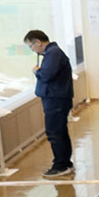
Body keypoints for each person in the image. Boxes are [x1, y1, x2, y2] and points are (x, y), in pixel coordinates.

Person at [26, 28, 73, 178]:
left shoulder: (53, 53)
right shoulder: (52, 53)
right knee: (59, 131)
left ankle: (61, 165)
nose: (32, 50)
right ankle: (65, 162)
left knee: (55, 133)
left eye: (31, 46)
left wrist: (37, 72)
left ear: (38, 42)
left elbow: (47, 75)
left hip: (56, 100)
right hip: (56, 99)